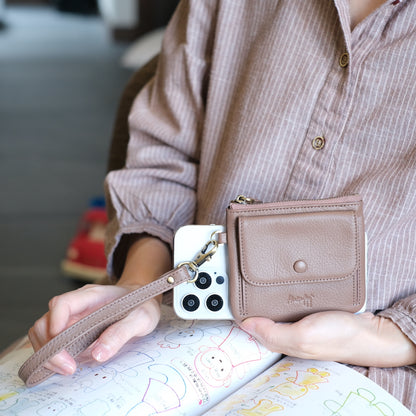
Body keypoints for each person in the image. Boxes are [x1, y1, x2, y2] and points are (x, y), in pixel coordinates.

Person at [28, 0, 416, 411]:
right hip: (186, 325)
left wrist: (384, 337)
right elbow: (163, 159)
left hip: (379, 371)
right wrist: (138, 287)